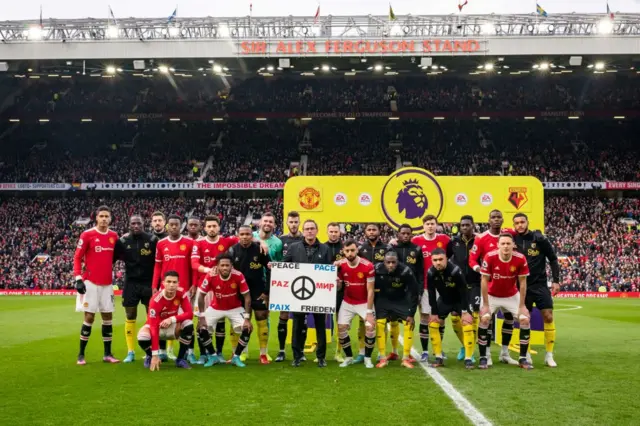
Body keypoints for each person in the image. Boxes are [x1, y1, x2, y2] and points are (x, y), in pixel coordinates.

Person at [512, 213, 561, 368]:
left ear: (527, 222)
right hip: (521, 286)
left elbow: (553, 259)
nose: (520, 225)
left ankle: (549, 355)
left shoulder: (539, 239)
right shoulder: (512, 241)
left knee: (548, 315)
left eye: (522, 222)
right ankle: (525, 354)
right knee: (524, 319)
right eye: (517, 223)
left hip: (540, 284)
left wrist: (556, 280)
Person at [469, 209, 517, 366]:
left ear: (503, 220)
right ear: (488, 220)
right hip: (490, 288)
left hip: (509, 286)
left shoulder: (510, 234)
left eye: (499, 217)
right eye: (493, 217)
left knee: (510, 319)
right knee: (486, 319)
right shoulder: (481, 238)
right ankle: (487, 354)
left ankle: (505, 353)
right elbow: (472, 260)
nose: (496, 220)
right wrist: (480, 271)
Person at [282, 219, 332, 367]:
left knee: (320, 326)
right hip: (299, 295)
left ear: (317, 231)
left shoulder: (325, 249)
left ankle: (321, 357)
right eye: (307, 229)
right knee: (297, 326)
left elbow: (329, 269)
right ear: (303, 231)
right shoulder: (293, 247)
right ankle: (297, 356)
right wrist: (276, 267)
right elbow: (284, 265)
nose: (310, 231)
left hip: (319, 295)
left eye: (312, 228)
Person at [478, 233, 533, 370]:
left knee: (525, 319)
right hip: (492, 295)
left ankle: (522, 358)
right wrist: (485, 305)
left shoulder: (520, 258)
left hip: (511, 295)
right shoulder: (490, 257)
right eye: (502, 244)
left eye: (508, 243)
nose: (506, 246)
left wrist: (522, 306)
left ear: (513, 245)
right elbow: (484, 281)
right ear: (498, 245)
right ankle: (484, 356)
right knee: (484, 319)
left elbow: (523, 283)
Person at [73, 205, 120, 365]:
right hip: (90, 282)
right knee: (89, 317)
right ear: (96, 218)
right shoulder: (87, 235)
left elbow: (117, 255)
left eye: (107, 216)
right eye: (102, 216)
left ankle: (107, 354)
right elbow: (77, 257)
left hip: (107, 283)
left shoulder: (114, 236)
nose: (104, 219)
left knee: (108, 317)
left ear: (111, 219)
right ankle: (81, 354)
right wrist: (78, 278)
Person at [191, 215, 239, 364]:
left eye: (214, 226)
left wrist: (261, 241)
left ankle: (218, 353)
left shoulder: (225, 241)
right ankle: (204, 354)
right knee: (201, 321)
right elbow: (193, 263)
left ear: (219, 227)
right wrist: (208, 270)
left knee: (220, 322)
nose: (212, 229)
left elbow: (246, 238)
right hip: (204, 289)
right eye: (209, 226)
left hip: (221, 289)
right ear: (204, 228)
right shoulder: (198, 243)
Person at [114, 214, 158, 363]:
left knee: (150, 315)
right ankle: (130, 351)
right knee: (130, 314)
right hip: (131, 282)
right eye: (133, 223)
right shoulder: (123, 241)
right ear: (129, 225)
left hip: (148, 282)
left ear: (143, 224)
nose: (136, 226)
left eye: (138, 223)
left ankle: (149, 351)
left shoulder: (152, 240)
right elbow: (112, 258)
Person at [152, 215, 196, 361]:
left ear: (180, 226)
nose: (174, 227)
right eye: (171, 224)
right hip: (165, 290)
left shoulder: (189, 242)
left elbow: (194, 266)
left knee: (187, 322)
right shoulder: (161, 244)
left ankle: (189, 352)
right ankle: (163, 351)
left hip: (184, 290)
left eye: (176, 224)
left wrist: (194, 284)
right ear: (167, 226)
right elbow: (158, 266)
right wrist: (155, 286)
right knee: (163, 319)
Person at [197, 253, 253, 368]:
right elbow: (201, 296)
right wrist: (201, 317)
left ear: (231, 265)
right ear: (217, 266)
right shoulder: (210, 275)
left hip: (235, 308)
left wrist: (247, 319)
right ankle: (213, 356)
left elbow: (247, 297)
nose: (225, 268)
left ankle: (236, 357)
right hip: (216, 308)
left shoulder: (238, 275)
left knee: (247, 328)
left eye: (227, 265)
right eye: (222, 265)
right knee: (201, 328)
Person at [228, 225, 272, 364]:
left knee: (261, 318)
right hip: (238, 292)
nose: (245, 236)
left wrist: (266, 292)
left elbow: (271, 269)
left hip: (258, 291)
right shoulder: (233, 250)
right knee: (237, 322)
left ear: (252, 236)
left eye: (248, 234)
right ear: (238, 235)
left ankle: (263, 354)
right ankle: (239, 353)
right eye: (242, 234)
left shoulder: (260, 249)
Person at [411, 215, 451, 363]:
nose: (430, 226)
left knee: (440, 320)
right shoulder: (416, 241)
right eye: (427, 224)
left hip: (443, 285)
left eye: (432, 224)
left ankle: (438, 349)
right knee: (425, 318)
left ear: (436, 225)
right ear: (423, 225)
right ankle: (425, 351)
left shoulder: (445, 239)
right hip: (426, 286)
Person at [427, 248, 475, 369]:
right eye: (435, 260)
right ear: (431, 260)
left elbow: (464, 291)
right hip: (444, 301)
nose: (438, 262)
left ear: (446, 259)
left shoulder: (455, 271)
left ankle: (469, 359)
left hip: (460, 301)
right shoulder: (431, 273)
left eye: (441, 259)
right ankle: (438, 357)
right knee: (433, 324)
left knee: (467, 324)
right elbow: (431, 293)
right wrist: (433, 312)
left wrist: (465, 311)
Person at [137, 271, 194, 371]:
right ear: (163, 283)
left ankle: (180, 359)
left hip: (172, 326)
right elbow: (154, 326)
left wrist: (172, 319)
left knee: (189, 324)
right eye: (168, 281)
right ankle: (150, 356)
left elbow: (189, 314)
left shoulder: (181, 293)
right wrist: (155, 354)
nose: (171, 285)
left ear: (178, 283)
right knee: (142, 337)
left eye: (174, 282)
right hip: (156, 327)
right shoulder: (155, 300)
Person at [374, 251, 420, 369]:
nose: (390, 265)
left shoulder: (406, 271)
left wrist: (412, 313)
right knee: (380, 324)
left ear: (397, 262)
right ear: (383, 262)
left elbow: (414, 293)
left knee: (409, 324)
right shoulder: (377, 269)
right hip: (384, 301)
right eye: (388, 262)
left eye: (393, 262)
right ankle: (383, 357)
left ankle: (405, 358)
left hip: (401, 301)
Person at [335, 240, 376, 368]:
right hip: (348, 302)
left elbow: (370, 290)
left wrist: (369, 312)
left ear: (357, 250)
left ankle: (367, 358)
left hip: (364, 302)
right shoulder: (340, 265)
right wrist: (337, 282)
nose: (350, 253)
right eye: (347, 251)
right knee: (341, 328)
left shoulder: (368, 266)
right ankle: (348, 357)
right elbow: (338, 288)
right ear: (343, 251)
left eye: (352, 250)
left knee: (370, 327)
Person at [448, 215, 480, 362]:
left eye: (467, 225)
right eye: (462, 225)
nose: (465, 227)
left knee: (472, 317)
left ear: (473, 225)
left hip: (475, 284)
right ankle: (464, 345)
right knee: (455, 316)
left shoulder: (479, 241)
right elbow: (445, 258)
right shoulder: (453, 242)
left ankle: (470, 352)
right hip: (457, 285)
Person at [275, 211, 304, 363]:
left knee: (302, 317)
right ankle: (281, 350)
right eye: (291, 222)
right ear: (287, 223)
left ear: (299, 222)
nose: (293, 225)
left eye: (296, 222)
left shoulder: (305, 238)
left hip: (302, 283)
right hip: (286, 283)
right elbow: (278, 259)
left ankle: (301, 350)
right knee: (283, 316)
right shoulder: (281, 240)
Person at [392, 223, 424, 364]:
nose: (405, 235)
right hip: (395, 289)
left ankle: (407, 354)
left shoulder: (417, 249)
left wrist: (420, 290)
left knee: (409, 320)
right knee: (392, 320)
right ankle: (394, 352)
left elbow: (420, 272)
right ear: (398, 234)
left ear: (411, 235)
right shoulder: (391, 248)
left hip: (410, 291)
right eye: (402, 233)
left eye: (408, 233)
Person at [357, 223, 389, 362]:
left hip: (382, 289)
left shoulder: (387, 248)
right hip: (364, 290)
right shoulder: (360, 249)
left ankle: (381, 351)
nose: (371, 232)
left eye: (374, 229)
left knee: (382, 321)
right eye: (369, 230)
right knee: (362, 322)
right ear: (365, 232)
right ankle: (361, 352)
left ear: (379, 231)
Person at [326, 222, 345, 362]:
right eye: (331, 231)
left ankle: (338, 353)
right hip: (324, 289)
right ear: (327, 232)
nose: (333, 234)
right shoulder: (321, 247)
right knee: (323, 321)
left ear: (340, 232)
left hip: (341, 289)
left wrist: (343, 260)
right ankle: (322, 352)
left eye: (335, 231)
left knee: (340, 321)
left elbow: (356, 259)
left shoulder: (346, 248)